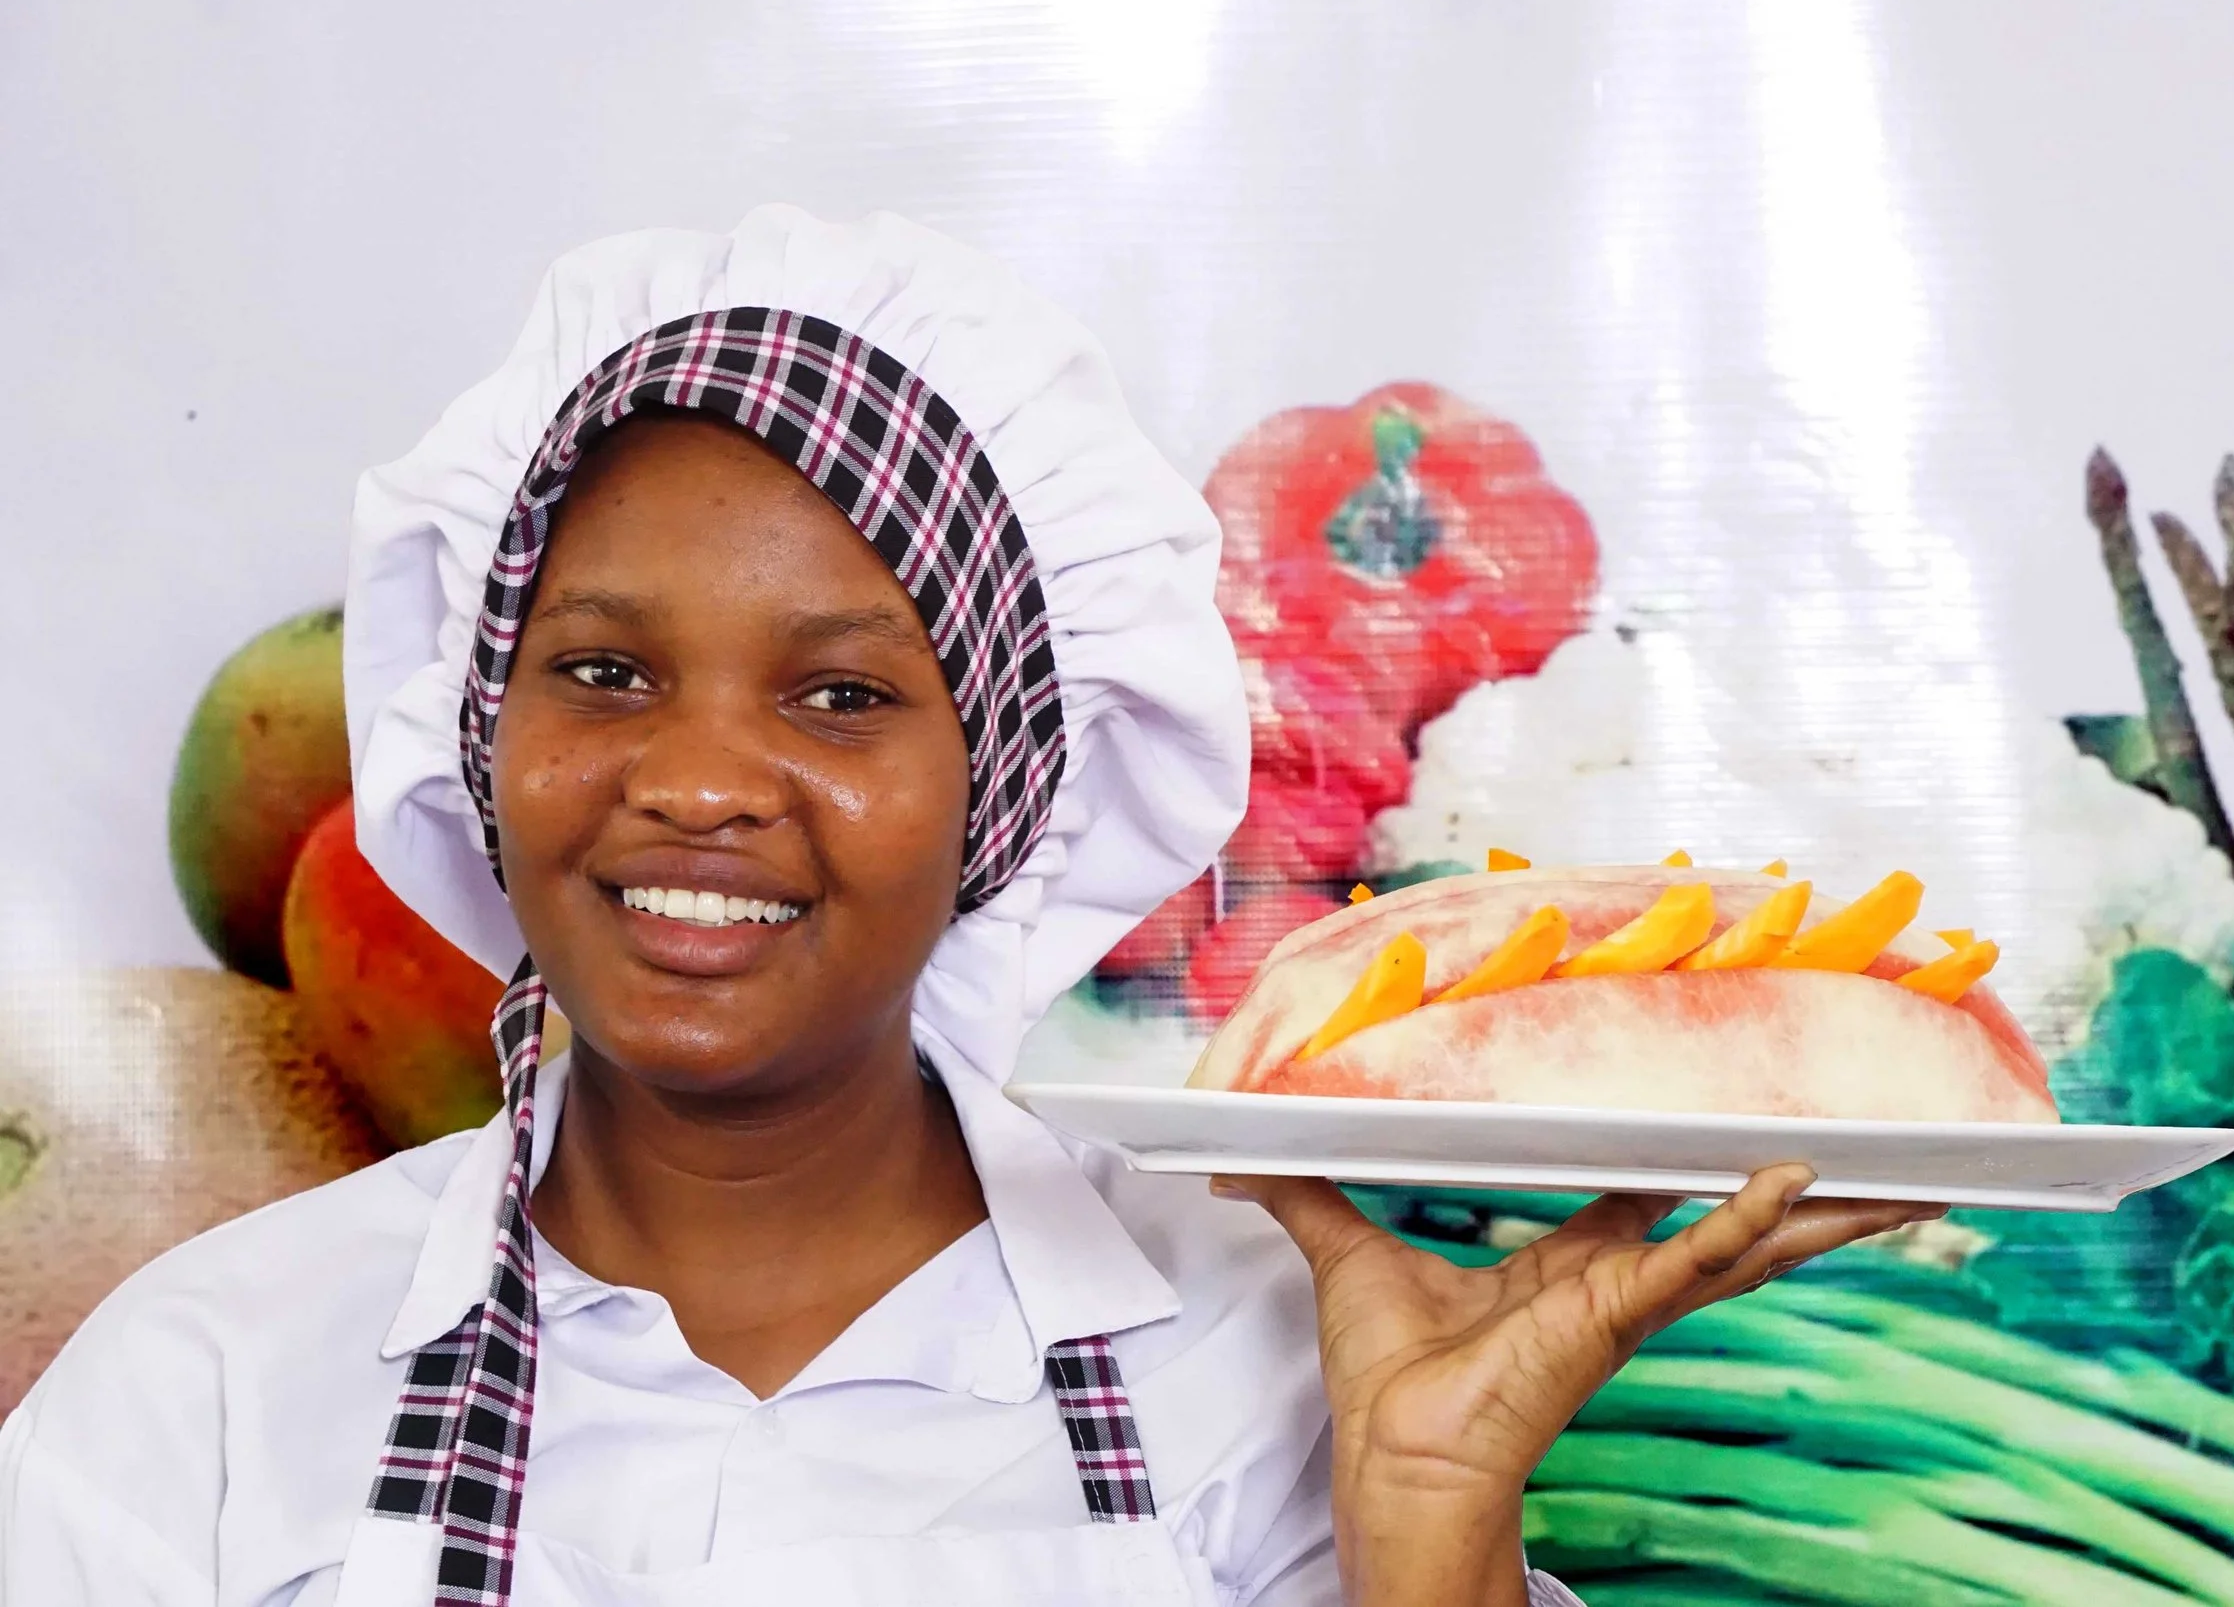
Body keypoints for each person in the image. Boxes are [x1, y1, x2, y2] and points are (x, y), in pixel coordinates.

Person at [0, 207, 1935, 1605]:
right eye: (600, 671)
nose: (696, 778)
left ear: (1007, 784)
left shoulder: (1261, 1364)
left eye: (843, 695)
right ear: (479, 725)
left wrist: (1426, 1521)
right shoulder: (218, 1382)